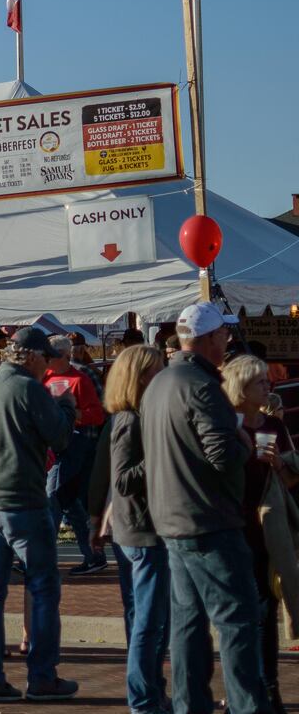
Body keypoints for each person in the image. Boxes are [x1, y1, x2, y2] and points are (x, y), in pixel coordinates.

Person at [140, 303, 268, 714]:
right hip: (208, 521)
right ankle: (248, 706)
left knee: (189, 626)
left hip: (174, 520)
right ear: (210, 339)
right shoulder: (199, 385)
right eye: (223, 336)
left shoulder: (161, 382)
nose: (227, 342)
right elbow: (223, 455)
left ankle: (190, 705)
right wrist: (243, 439)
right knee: (237, 621)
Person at [0, 330, 79, 703]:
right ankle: (42, 676)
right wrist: (66, 406)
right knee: (42, 586)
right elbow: (60, 438)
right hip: (22, 502)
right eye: (45, 360)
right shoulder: (31, 390)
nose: (47, 367)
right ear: (30, 358)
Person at [98, 344, 169, 714]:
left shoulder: (142, 416)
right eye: (158, 369)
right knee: (148, 621)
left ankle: (153, 692)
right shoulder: (129, 420)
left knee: (155, 620)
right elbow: (123, 479)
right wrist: (161, 454)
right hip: (140, 530)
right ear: (140, 376)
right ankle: (143, 699)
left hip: (147, 528)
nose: (164, 375)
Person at [224, 353, 295, 710]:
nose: (268, 387)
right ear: (241, 386)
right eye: (260, 382)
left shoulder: (275, 427)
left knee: (266, 609)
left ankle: (269, 689)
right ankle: (242, 689)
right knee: (241, 613)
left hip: (269, 530)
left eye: (268, 381)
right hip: (233, 529)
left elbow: (291, 477)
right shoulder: (226, 426)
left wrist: (280, 463)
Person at [42, 336, 108, 577]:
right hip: (52, 445)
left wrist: (73, 413)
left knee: (54, 494)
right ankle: (94, 556)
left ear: (62, 355)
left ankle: (40, 557)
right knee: (68, 501)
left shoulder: (80, 378)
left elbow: (98, 414)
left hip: (75, 443)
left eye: (49, 355)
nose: (45, 359)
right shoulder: (44, 377)